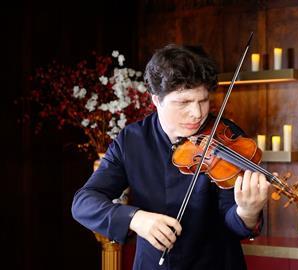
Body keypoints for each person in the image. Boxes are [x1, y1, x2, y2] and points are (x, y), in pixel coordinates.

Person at [71, 44, 270, 270]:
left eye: (203, 100)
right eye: (183, 102)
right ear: (156, 100)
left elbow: (233, 225)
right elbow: (83, 203)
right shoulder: (132, 140)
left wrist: (248, 212)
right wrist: (135, 218)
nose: (197, 113)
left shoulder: (227, 137)